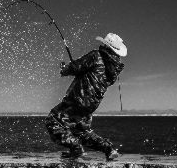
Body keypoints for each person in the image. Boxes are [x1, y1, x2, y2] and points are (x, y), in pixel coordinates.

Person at [46, 32, 126, 160]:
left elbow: (75, 67)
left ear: (105, 45)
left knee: (53, 121)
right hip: (91, 105)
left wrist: (64, 69)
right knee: (81, 131)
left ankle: (76, 148)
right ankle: (109, 149)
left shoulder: (96, 55)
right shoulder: (114, 68)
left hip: (77, 100)